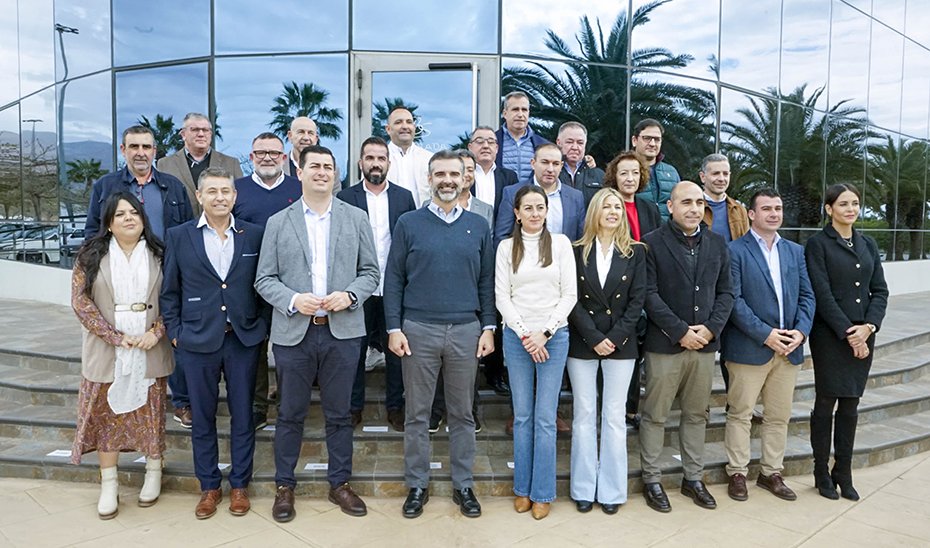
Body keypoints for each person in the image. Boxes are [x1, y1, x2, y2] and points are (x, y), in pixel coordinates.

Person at [255, 145, 379, 522]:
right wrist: (292, 299)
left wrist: (351, 294)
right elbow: (264, 278)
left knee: (340, 414)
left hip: (342, 333)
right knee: (290, 413)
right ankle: (284, 487)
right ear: (300, 170)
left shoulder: (356, 218)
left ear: (336, 172)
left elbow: (371, 272)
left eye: (328, 166)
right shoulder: (279, 221)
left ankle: (340, 483)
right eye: (315, 166)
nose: (322, 172)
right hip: (295, 333)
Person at [384, 149, 496, 519]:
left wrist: (489, 327)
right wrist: (394, 327)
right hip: (418, 330)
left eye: (454, 174)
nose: (447, 180)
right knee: (417, 414)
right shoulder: (408, 223)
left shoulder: (479, 226)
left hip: (466, 330)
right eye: (440, 175)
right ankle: (417, 484)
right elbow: (394, 278)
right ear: (428, 180)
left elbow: (486, 281)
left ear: (465, 178)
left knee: (462, 414)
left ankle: (464, 485)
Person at [160, 168, 267, 519]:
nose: (220, 197)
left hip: (242, 340)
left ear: (235, 197)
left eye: (226, 191)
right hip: (196, 340)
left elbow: (263, 286)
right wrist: (176, 332)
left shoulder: (254, 234)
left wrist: (261, 327)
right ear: (200, 196)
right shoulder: (179, 236)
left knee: (243, 417)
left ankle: (239, 485)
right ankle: (208, 487)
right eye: (212, 191)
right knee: (203, 418)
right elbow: (170, 291)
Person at [70, 191, 173, 520]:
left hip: (148, 345)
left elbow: (175, 298)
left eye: (134, 213)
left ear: (143, 219)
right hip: (106, 348)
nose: (129, 218)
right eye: (120, 215)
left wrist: (155, 332)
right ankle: (109, 485)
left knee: (151, 414)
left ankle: (154, 473)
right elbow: (80, 302)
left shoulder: (161, 254)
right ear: (109, 224)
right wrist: (115, 336)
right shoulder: (91, 255)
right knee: (106, 418)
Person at [84, 125, 194, 430]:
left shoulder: (172, 187)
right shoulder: (106, 187)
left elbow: (186, 231)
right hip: (120, 276)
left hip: (165, 272)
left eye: (147, 146)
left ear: (155, 151)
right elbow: (92, 231)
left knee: (171, 335)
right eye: (134, 147)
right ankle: (119, 400)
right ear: (123, 150)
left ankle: (182, 402)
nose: (141, 152)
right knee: (122, 338)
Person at [639, 181, 734, 513]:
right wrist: (680, 331)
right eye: (686, 202)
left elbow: (727, 293)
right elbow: (648, 295)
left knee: (696, 415)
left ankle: (693, 479)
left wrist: (708, 330)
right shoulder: (651, 244)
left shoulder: (718, 243)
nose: (694, 208)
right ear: (670, 206)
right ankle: (651, 480)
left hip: (704, 347)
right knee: (655, 415)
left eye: (698, 202)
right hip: (665, 345)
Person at [722, 188, 814, 503]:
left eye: (777, 208)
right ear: (751, 213)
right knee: (741, 413)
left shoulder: (795, 251)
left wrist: (800, 332)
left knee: (779, 415)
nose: (774, 214)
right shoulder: (734, 250)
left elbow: (807, 296)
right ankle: (737, 472)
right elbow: (734, 301)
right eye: (766, 209)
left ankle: (771, 472)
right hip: (750, 347)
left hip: (789, 349)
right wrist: (766, 334)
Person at [495, 185, 576, 520]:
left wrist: (545, 332)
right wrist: (526, 333)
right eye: (527, 208)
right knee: (523, 415)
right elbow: (502, 296)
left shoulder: (560, 245)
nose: (534, 213)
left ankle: (543, 492)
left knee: (545, 418)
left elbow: (569, 294)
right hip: (517, 338)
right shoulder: (505, 247)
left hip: (553, 338)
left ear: (546, 210)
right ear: (516, 212)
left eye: (539, 207)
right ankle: (523, 490)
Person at [805, 183, 888, 501]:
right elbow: (821, 294)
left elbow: (879, 290)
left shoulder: (868, 243)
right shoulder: (817, 244)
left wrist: (868, 327)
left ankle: (844, 471)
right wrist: (848, 332)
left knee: (851, 404)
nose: (850, 209)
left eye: (855, 203)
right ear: (829, 209)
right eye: (843, 204)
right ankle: (821, 472)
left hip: (864, 335)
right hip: (830, 336)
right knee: (826, 403)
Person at [566, 187, 646, 515]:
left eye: (617, 206)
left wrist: (613, 337)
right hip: (583, 343)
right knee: (584, 415)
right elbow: (569, 297)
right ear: (594, 212)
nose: (612, 211)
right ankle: (583, 488)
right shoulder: (574, 250)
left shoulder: (637, 252)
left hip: (622, 344)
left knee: (613, 417)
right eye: (606, 206)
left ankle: (612, 490)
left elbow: (637, 300)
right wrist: (594, 336)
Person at [337, 136, 417, 432]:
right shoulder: (345, 198)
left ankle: (396, 406)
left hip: (394, 287)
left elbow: (410, 243)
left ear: (388, 163)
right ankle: (353, 407)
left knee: (397, 351)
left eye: (381, 158)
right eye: (369, 158)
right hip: (357, 288)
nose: (375, 163)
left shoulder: (404, 197)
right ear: (361, 163)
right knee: (354, 351)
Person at [232, 132, 303, 430]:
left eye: (274, 153)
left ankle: (288, 404)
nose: (268, 158)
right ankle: (258, 405)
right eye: (260, 152)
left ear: (284, 158)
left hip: (292, 284)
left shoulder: (299, 188)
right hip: (247, 283)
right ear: (251, 158)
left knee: (289, 349)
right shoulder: (236, 190)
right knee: (254, 347)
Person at [429, 149, 494, 433]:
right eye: (443, 173)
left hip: (469, 307)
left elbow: (486, 268)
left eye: (460, 172)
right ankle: (437, 410)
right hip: (432, 309)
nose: (452, 178)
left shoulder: (482, 214)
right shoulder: (422, 212)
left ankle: (469, 412)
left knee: (466, 374)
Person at [603, 150, 661, 428]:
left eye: (635, 173)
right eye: (624, 172)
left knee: (638, 353)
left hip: (646, 286)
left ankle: (632, 409)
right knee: (620, 351)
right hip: (615, 291)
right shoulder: (605, 205)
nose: (630, 178)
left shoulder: (648, 208)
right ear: (614, 176)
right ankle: (618, 410)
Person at [495, 144, 587, 248]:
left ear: (561, 166)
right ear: (533, 163)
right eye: (545, 162)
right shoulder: (513, 193)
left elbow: (580, 239)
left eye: (556, 164)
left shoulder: (575, 197)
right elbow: (502, 237)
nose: (550, 169)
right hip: (523, 261)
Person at [156, 112, 243, 216]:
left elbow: (240, 202)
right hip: (181, 229)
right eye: (195, 130)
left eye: (205, 130)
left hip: (220, 229)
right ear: (183, 134)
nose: (201, 134)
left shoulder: (231, 163)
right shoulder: (165, 164)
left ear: (210, 134)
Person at [495, 91, 550, 184]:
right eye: (515, 109)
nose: (520, 114)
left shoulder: (543, 144)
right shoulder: (493, 141)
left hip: (533, 196)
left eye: (524, 110)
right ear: (505, 113)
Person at [632, 119, 681, 221]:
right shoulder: (624, 170)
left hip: (668, 234)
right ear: (634, 140)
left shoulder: (672, 172)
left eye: (657, 139)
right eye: (647, 138)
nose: (652, 144)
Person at [467, 125, 519, 220]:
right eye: (479, 141)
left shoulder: (509, 177)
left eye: (491, 142)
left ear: (497, 148)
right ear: (470, 147)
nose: (486, 146)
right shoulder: (462, 175)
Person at [385, 106, 433, 205]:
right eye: (398, 122)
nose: (405, 126)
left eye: (409, 122)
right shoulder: (379, 160)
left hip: (422, 219)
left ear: (414, 128)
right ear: (388, 129)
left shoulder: (429, 159)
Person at [700, 153, 748, 242]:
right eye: (715, 174)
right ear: (703, 177)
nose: (721, 179)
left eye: (725, 174)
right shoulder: (693, 208)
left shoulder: (739, 210)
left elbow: (746, 247)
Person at [556, 121, 604, 206]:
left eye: (580, 143)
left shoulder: (599, 176)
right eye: (569, 142)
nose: (575, 147)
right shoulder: (551, 173)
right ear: (559, 142)